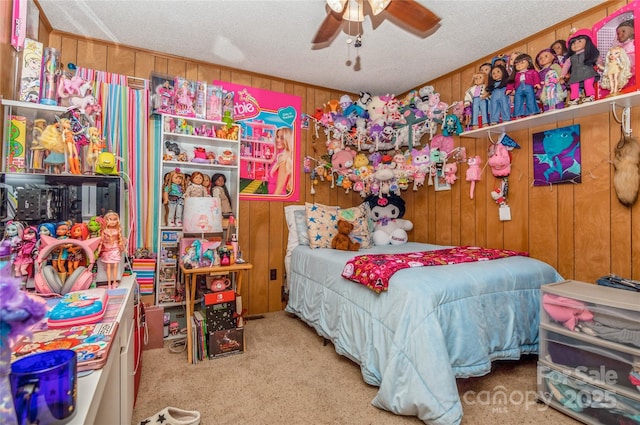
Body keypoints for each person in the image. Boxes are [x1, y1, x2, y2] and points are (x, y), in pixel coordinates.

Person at [560, 28, 600, 105]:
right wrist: (562, 75)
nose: (576, 44)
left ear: (587, 42)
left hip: (588, 72)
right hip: (575, 75)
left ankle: (590, 95)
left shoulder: (588, 53)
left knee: (588, 83)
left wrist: (600, 65)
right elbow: (565, 66)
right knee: (573, 86)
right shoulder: (571, 58)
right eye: (573, 43)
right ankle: (574, 98)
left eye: (579, 41)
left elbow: (597, 58)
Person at [100, 211, 125, 289]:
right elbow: (101, 241)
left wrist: (122, 247)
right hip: (107, 249)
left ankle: (114, 281)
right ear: (106, 220)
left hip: (115, 249)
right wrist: (99, 249)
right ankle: (109, 283)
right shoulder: (104, 230)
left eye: (114, 219)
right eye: (110, 219)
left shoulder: (118, 230)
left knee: (115, 265)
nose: (113, 222)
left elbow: (120, 240)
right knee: (108, 266)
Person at [270, 127, 293, 195]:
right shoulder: (280, 156)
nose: (278, 140)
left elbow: (279, 188)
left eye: (282, 138)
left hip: (277, 196)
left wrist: (271, 203)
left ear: (287, 140)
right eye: (277, 137)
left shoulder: (284, 159)